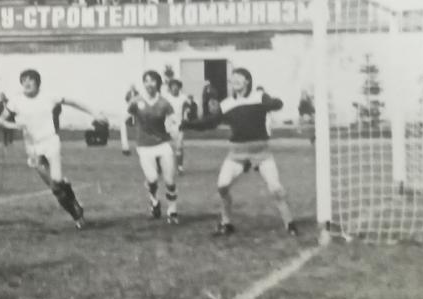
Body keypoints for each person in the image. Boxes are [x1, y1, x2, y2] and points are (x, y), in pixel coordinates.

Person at [182, 67, 297, 236]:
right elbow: (210, 123)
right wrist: (187, 124)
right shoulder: (227, 104)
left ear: (247, 81)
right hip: (237, 153)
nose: (234, 80)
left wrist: (272, 103)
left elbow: (277, 104)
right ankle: (226, 223)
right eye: (232, 78)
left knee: (276, 188)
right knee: (222, 186)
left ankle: (290, 223)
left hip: (261, 152)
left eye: (239, 78)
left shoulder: (259, 97)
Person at [0, 69, 106, 228]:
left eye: (31, 80)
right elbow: (0, 120)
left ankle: (72, 198)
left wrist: (95, 113)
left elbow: (74, 102)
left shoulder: (49, 96)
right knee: (55, 189)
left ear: (37, 82)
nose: (27, 83)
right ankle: (77, 215)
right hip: (32, 148)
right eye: (24, 80)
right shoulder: (15, 101)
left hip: (50, 142)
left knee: (56, 180)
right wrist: (14, 124)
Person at [127, 71, 181, 224]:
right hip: (144, 146)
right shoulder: (136, 101)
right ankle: (154, 200)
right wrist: (124, 142)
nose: (149, 84)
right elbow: (124, 120)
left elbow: (174, 122)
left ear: (158, 84)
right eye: (146, 81)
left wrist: (176, 136)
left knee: (170, 180)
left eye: (152, 81)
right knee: (152, 179)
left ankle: (172, 211)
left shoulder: (164, 103)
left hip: (163, 144)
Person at [165, 76, 189, 173]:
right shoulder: (166, 98)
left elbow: (187, 109)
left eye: (177, 86)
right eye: (173, 86)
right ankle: (164, 167)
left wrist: (186, 117)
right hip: (167, 124)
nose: (175, 88)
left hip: (179, 124)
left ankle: (180, 167)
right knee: (166, 148)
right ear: (170, 87)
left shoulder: (183, 98)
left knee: (179, 147)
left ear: (179, 88)